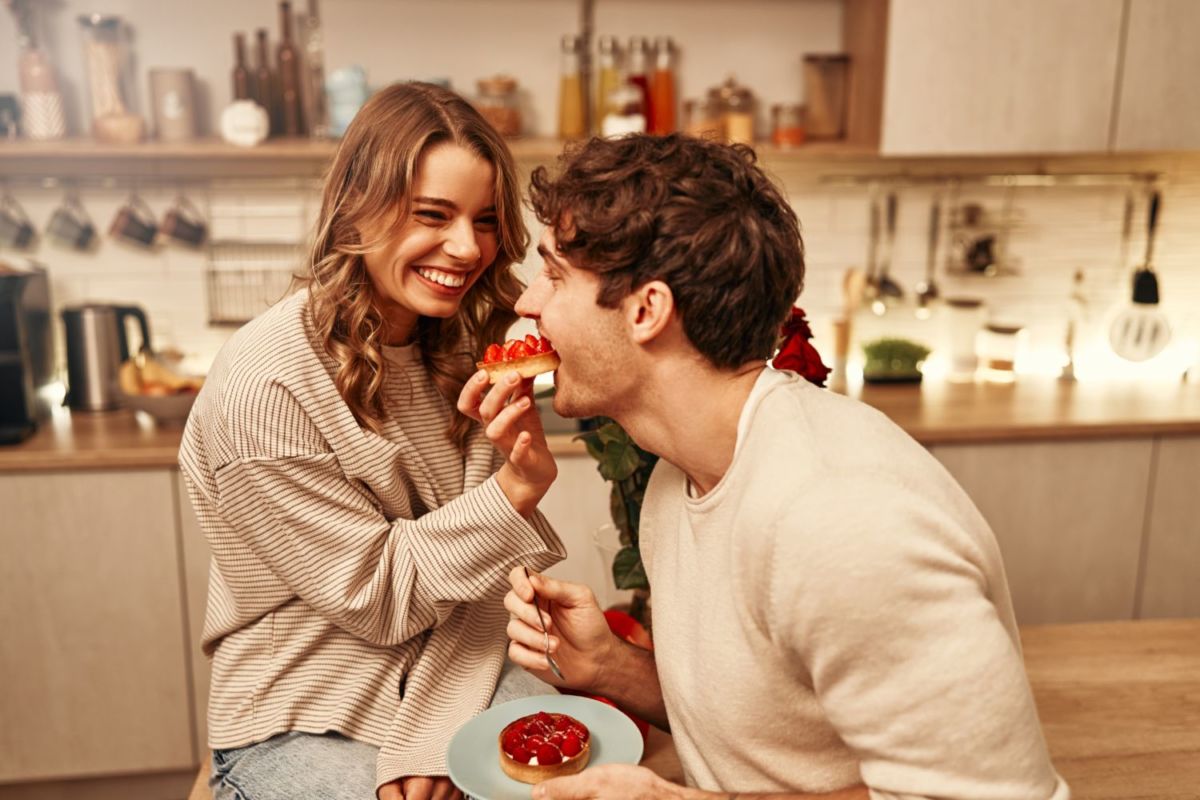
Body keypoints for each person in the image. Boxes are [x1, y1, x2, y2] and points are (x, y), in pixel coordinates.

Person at [501, 134, 1070, 800]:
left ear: (646, 310)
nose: (527, 304)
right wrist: (610, 667)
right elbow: (770, 740)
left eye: (555, 275)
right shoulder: (674, 477)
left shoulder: (843, 524)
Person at [179, 82, 564, 800]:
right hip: (304, 707)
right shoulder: (268, 385)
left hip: (462, 667)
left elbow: (478, 580)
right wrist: (514, 492)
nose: (467, 247)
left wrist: (441, 729)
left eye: (485, 220)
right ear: (357, 206)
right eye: (432, 215)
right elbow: (379, 596)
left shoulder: (460, 346)